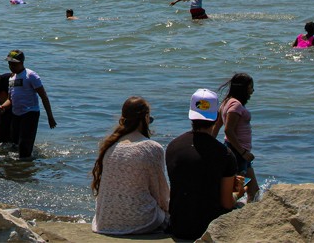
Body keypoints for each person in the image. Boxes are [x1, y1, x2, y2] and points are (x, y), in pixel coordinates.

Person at [165, 88, 242, 240]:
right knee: (241, 206)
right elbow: (227, 204)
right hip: (209, 228)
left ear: (191, 116)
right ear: (216, 117)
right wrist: (239, 193)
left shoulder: (173, 147)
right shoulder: (225, 154)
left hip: (178, 226)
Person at [91, 96, 170, 235]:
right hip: (142, 221)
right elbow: (161, 196)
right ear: (145, 118)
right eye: (150, 119)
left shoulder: (110, 147)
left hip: (105, 221)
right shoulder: (152, 148)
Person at [2, 50, 56, 159]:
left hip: (30, 113)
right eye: (9, 64)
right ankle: (19, 170)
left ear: (21, 62)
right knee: (14, 146)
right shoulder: (12, 78)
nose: (11, 66)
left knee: (24, 148)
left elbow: (43, 96)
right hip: (16, 115)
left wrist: (50, 117)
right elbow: (10, 99)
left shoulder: (31, 75)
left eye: (14, 64)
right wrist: (3, 106)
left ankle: (26, 170)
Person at [214, 73, 259, 202]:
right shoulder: (236, 105)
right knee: (236, 191)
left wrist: (208, 143)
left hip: (239, 152)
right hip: (238, 153)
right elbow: (228, 130)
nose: (252, 90)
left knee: (254, 191)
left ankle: (250, 216)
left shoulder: (226, 103)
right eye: (250, 87)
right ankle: (231, 216)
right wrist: (243, 152)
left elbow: (216, 127)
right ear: (243, 88)